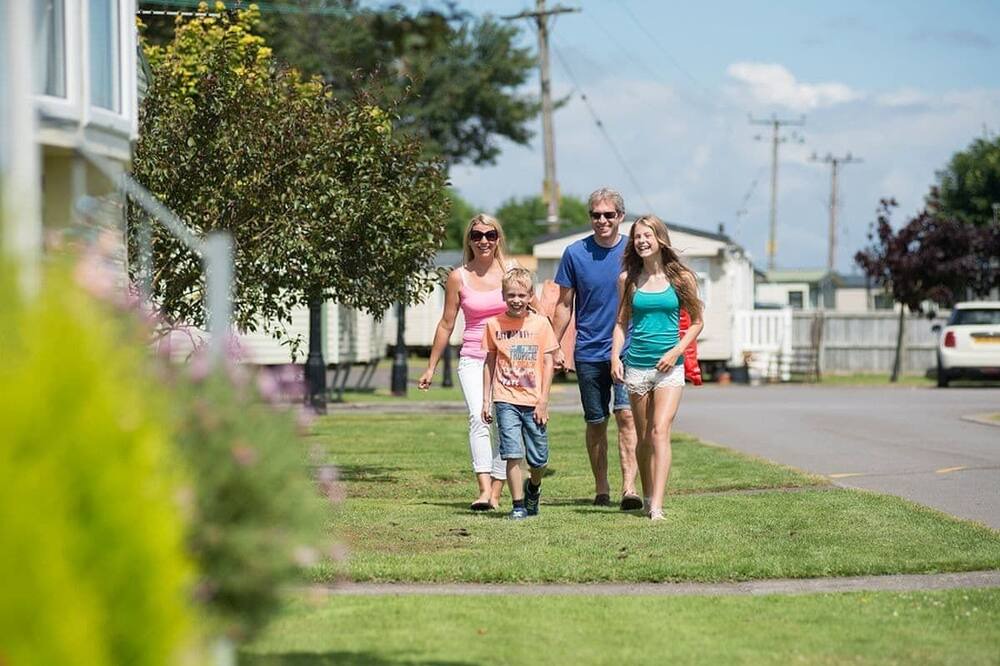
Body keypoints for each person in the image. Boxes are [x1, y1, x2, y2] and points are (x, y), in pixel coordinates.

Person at [552, 187, 640, 510]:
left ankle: (629, 488)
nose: (601, 220)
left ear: (620, 216)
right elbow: (564, 305)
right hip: (588, 351)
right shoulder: (575, 253)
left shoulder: (635, 250)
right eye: (595, 215)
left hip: (628, 349)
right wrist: (553, 344)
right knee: (596, 421)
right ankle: (601, 486)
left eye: (608, 214)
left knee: (627, 416)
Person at [610, 215, 704, 521]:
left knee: (660, 430)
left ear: (659, 238)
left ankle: (656, 507)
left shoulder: (682, 278)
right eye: (637, 237)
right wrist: (615, 357)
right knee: (643, 436)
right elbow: (622, 323)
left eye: (647, 235)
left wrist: (677, 350)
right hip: (636, 366)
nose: (641, 241)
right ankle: (648, 493)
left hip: (669, 367)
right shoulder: (628, 280)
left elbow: (697, 322)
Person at [418, 214, 513, 511]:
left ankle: (497, 492)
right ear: (469, 240)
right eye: (477, 235)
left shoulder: (511, 272)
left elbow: (531, 312)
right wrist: (431, 367)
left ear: (498, 239)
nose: (483, 240)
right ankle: (484, 490)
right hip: (473, 357)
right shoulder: (458, 276)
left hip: (508, 359)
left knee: (503, 421)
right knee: (478, 416)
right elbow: (447, 324)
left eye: (490, 234)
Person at [481, 268, 559, 520]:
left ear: (530, 296)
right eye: (511, 294)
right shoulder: (493, 325)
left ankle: (533, 488)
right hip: (505, 399)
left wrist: (544, 401)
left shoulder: (540, 324)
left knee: (538, 460)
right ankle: (517, 506)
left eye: (521, 295)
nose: (516, 299)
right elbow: (489, 362)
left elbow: (548, 363)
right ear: (503, 295)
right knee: (512, 452)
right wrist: (486, 399)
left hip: (534, 400)